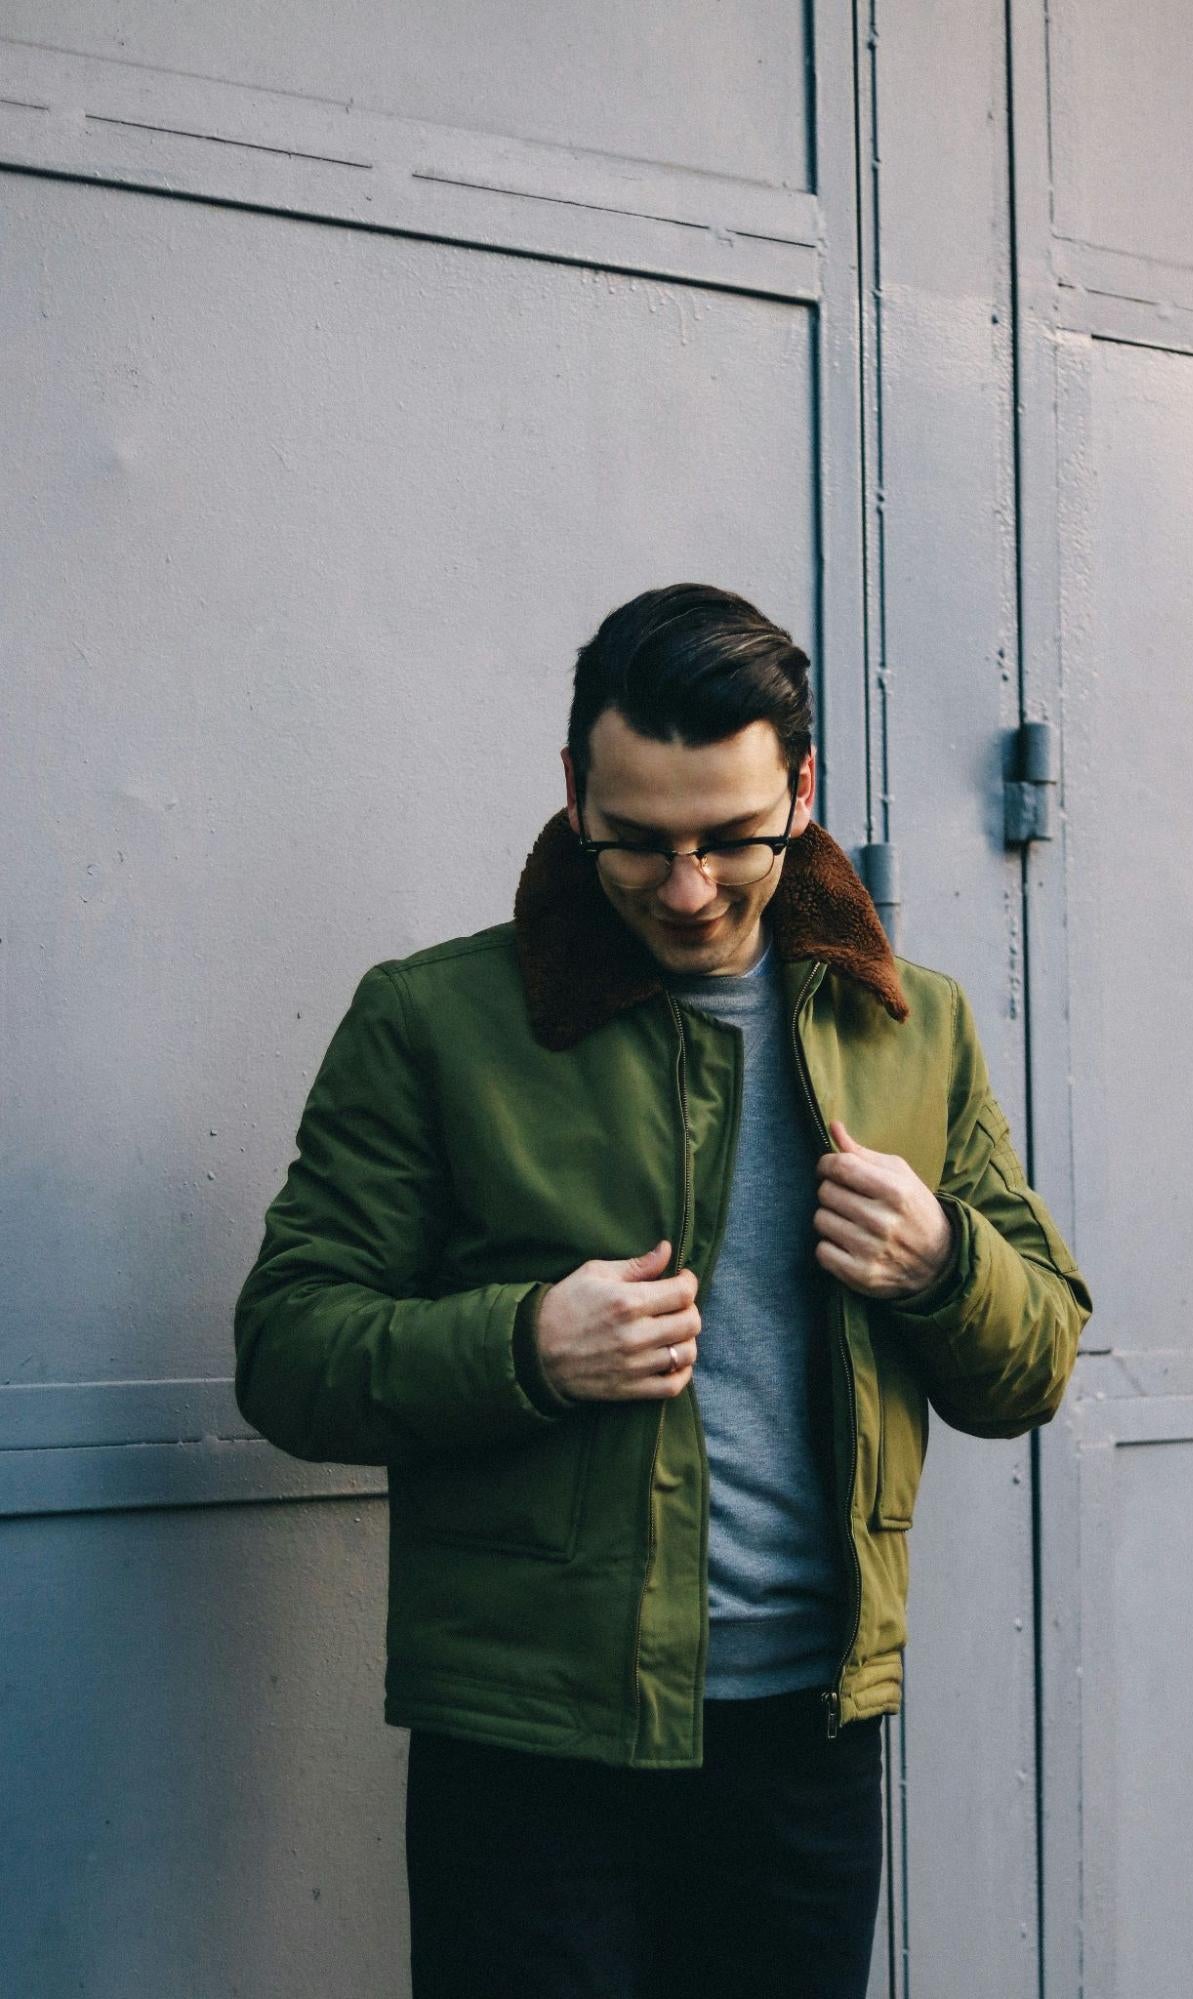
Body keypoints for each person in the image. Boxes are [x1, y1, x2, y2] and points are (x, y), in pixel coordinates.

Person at [233, 582, 1094, 1999]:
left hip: (805, 1739)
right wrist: (525, 1345)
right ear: (573, 790)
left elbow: (1036, 1361)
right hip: (529, 1747)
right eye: (636, 840)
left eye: (730, 840)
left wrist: (943, 1261)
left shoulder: (909, 1022)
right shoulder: (431, 1021)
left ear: (801, 791)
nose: (686, 888)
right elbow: (286, 1354)